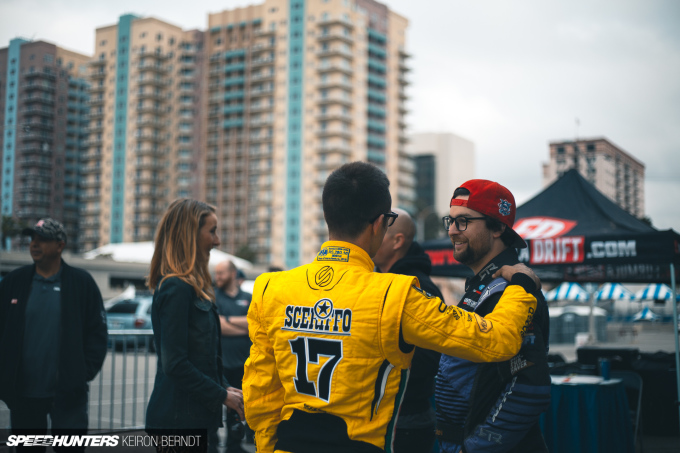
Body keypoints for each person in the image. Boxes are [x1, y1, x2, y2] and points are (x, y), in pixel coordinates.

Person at [243, 162, 541, 453]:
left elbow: (260, 395)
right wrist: (522, 287)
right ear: (379, 224)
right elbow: (496, 341)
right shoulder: (394, 294)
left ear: (327, 216)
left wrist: (268, 447)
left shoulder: (269, 288)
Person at [436, 179, 551, 453]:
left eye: (463, 221)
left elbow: (529, 389)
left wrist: (475, 448)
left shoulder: (513, 289)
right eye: (450, 221)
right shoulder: (483, 285)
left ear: (499, 227)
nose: (452, 231)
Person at [0, 218, 108, 452]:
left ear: (60, 245)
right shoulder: (14, 282)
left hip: (68, 395)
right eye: (32, 239)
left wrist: (82, 373)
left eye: (43, 240)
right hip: (24, 394)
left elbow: (97, 333)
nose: (34, 244)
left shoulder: (81, 283)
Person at [145, 199, 244, 452]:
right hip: (178, 425)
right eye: (212, 231)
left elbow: (202, 358)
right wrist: (222, 395)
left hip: (197, 420)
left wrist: (224, 386)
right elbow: (176, 364)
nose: (217, 240)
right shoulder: (176, 287)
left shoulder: (194, 287)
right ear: (190, 234)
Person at [372, 208, 442, 453]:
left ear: (398, 241)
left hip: (407, 418)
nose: (370, 234)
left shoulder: (419, 287)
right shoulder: (376, 280)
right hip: (378, 416)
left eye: (378, 229)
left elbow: (431, 357)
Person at [214, 260, 252, 453]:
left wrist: (227, 320)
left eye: (220, 273)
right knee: (216, 408)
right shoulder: (213, 297)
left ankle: (234, 447)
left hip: (243, 364)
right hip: (222, 365)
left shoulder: (248, 297)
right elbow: (218, 326)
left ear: (232, 273)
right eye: (216, 273)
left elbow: (256, 323)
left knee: (238, 409)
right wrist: (244, 326)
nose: (217, 277)